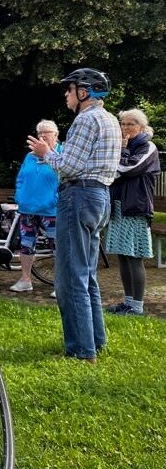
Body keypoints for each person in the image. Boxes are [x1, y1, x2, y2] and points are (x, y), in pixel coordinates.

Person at [27, 68, 121, 364]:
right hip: (100, 197)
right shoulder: (111, 120)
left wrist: (46, 151)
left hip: (78, 196)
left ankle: (82, 351)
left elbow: (69, 167)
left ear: (84, 92)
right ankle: (96, 341)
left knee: (69, 277)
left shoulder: (85, 119)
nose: (66, 95)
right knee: (88, 274)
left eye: (69, 90)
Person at [103, 109, 161, 316]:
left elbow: (128, 169)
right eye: (123, 124)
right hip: (118, 207)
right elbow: (112, 170)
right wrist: (119, 158)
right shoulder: (123, 146)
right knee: (123, 256)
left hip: (135, 208)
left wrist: (122, 153)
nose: (125, 128)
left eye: (130, 124)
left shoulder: (148, 147)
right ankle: (127, 303)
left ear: (142, 126)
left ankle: (137, 306)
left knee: (134, 257)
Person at [10, 120, 62, 295]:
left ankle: (60, 284)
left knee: (58, 247)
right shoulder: (30, 156)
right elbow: (21, 178)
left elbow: (65, 180)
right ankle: (25, 279)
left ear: (56, 135)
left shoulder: (61, 155)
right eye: (40, 133)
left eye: (47, 132)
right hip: (27, 209)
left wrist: (56, 199)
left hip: (51, 210)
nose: (43, 136)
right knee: (26, 246)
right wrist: (20, 196)